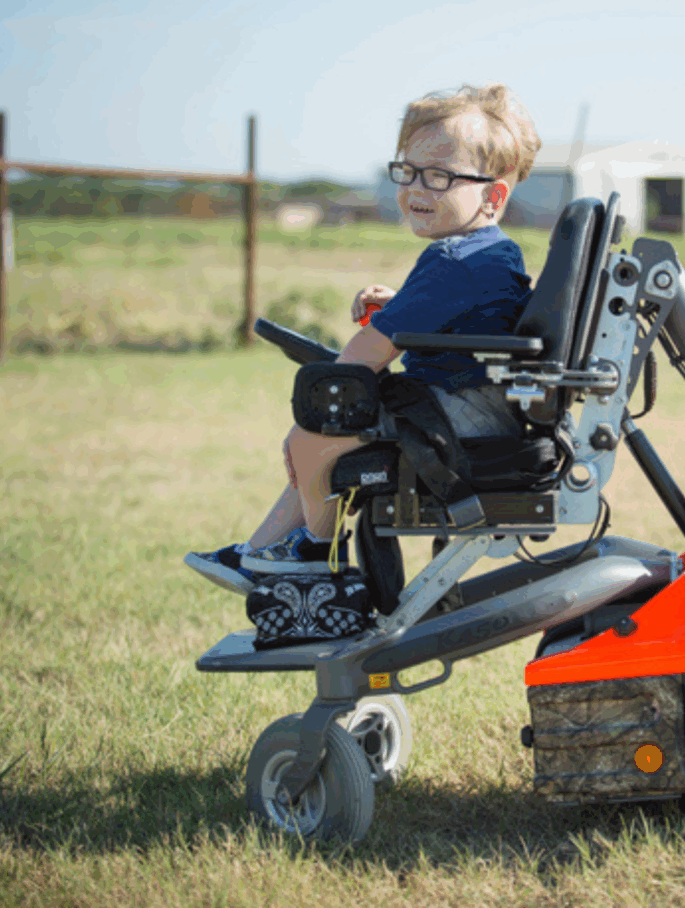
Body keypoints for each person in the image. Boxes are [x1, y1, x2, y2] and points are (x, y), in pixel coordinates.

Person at [186, 83, 541, 595]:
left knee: (312, 435)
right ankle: (261, 552)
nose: (417, 188)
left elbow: (362, 360)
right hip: (471, 403)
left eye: (439, 176)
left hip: (464, 418)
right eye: (408, 171)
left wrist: (332, 391)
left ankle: (314, 557)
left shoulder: (454, 260)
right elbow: (466, 320)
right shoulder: (487, 253)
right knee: (320, 440)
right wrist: (397, 307)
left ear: (493, 195)